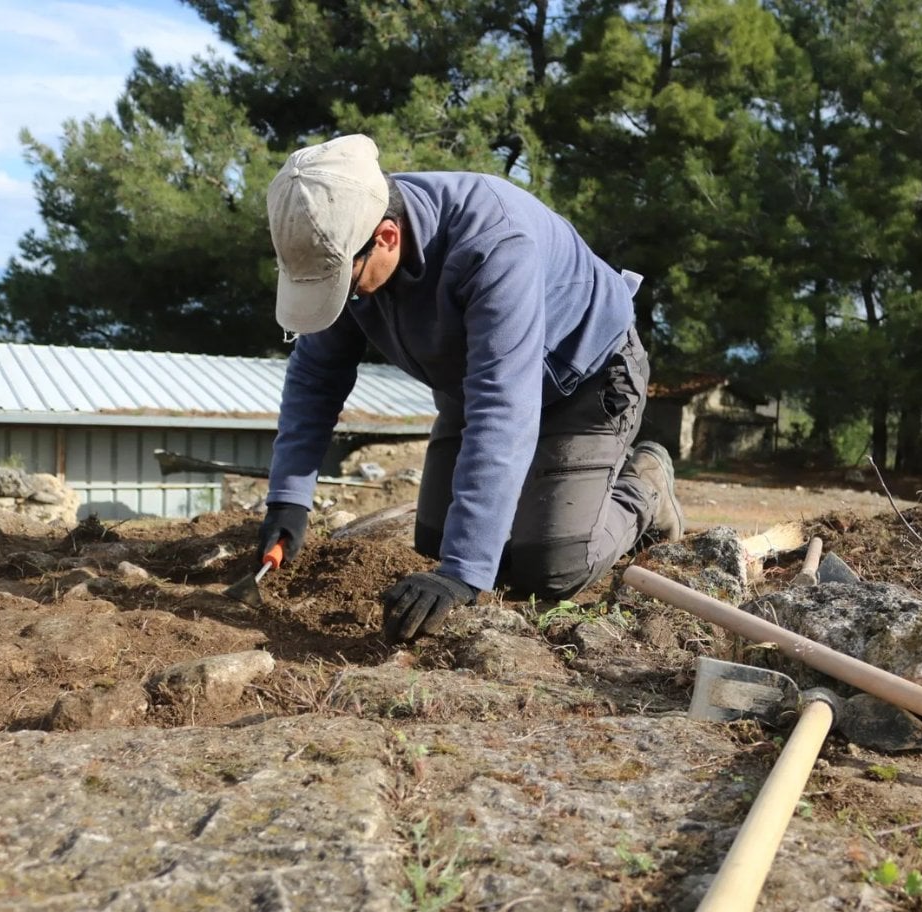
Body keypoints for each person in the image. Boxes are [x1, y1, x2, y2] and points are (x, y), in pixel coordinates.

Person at [257, 134, 683, 643]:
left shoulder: (493, 244)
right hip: (474, 382)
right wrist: (289, 499)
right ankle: (535, 508)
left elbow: (502, 408)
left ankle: (645, 487)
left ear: (387, 237)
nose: (342, 298)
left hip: (585, 378)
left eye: (343, 286)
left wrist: (463, 573)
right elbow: (316, 376)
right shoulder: (344, 238)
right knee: (437, 541)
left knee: (548, 567)